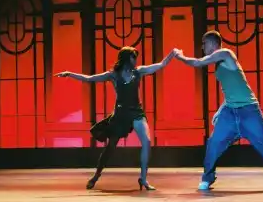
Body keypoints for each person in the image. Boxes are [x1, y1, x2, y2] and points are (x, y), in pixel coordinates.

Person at [174, 30, 263, 192]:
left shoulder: (225, 53)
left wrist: (180, 56)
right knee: (214, 143)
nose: (202, 48)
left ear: (211, 43)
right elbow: (231, 90)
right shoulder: (218, 64)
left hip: (248, 110)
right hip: (230, 112)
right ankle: (207, 178)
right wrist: (220, 110)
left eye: (204, 44)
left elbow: (197, 63)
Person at [55, 46, 178, 191]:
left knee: (147, 141)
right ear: (126, 58)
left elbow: (161, 64)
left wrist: (172, 54)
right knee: (110, 147)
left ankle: (143, 179)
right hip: (121, 114)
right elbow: (89, 78)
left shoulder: (138, 71)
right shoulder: (113, 75)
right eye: (133, 57)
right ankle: (96, 175)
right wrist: (70, 74)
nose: (135, 60)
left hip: (136, 112)